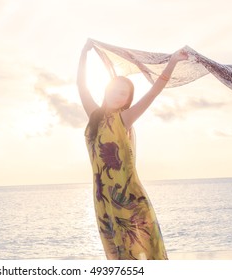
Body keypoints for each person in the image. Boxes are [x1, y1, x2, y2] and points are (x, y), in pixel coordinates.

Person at [77, 39, 188, 260]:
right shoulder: (94, 116)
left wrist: (173, 61)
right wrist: (84, 54)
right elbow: (81, 85)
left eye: (123, 93)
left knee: (144, 249)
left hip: (129, 197)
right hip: (103, 198)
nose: (116, 95)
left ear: (128, 99)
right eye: (114, 90)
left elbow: (154, 91)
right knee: (117, 254)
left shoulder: (125, 119)